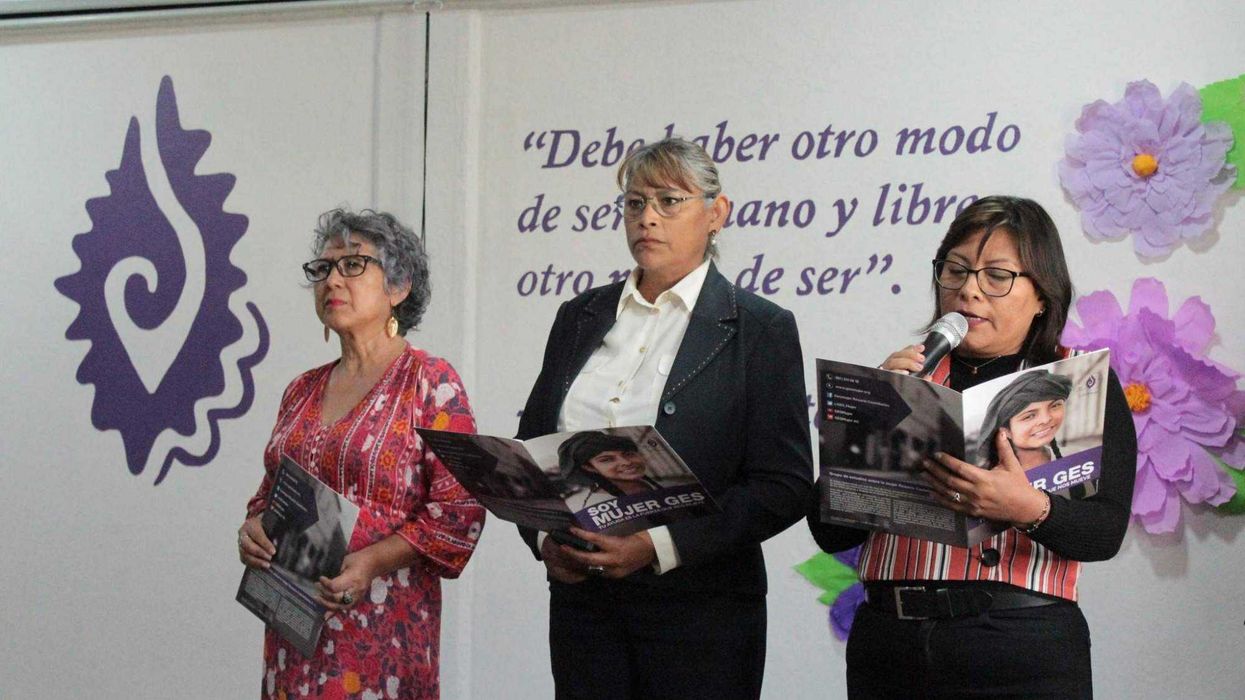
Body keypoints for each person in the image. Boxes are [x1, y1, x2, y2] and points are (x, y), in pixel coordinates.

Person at [517, 137, 813, 700]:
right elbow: (531, 448)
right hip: (585, 610)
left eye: (669, 201)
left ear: (716, 213)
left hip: (702, 617)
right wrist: (542, 539)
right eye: (634, 203)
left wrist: (659, 545)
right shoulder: (579, 316)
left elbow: (784, 485)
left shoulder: (759, 327)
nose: (647, 218)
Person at [808, 195, 1136, 699]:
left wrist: (1029, 509)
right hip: (890, 645)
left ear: (1043, 294)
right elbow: (828, 532)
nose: (969, 290)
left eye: (997, 276)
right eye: (955, 271)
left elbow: (1105, 532)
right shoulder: (907, 377)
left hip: (1020, 646)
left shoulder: (1079, 385)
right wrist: (870, 423)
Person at [237, 208, 486, 700]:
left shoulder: (430, 382)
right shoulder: (301, 389)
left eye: (353, 265)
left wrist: (372, 561)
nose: (332, 280)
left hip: (382, 629)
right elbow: (269, 493)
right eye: (323, 268)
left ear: (398, 287)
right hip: (292, 631)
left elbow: (459, 511)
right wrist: (253, 529)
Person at [977, 370, 1072, 469]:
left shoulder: (1074, 456)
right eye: (1029, 416)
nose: (1046, 419)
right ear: (1005, 431)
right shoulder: (989, 475)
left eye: (1055, 405)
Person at [558, 431, 662, 510]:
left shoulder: (658, 484)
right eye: (607, 460)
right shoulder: (597, 505)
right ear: (589, 467)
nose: (626, 462)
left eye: (629, 454)